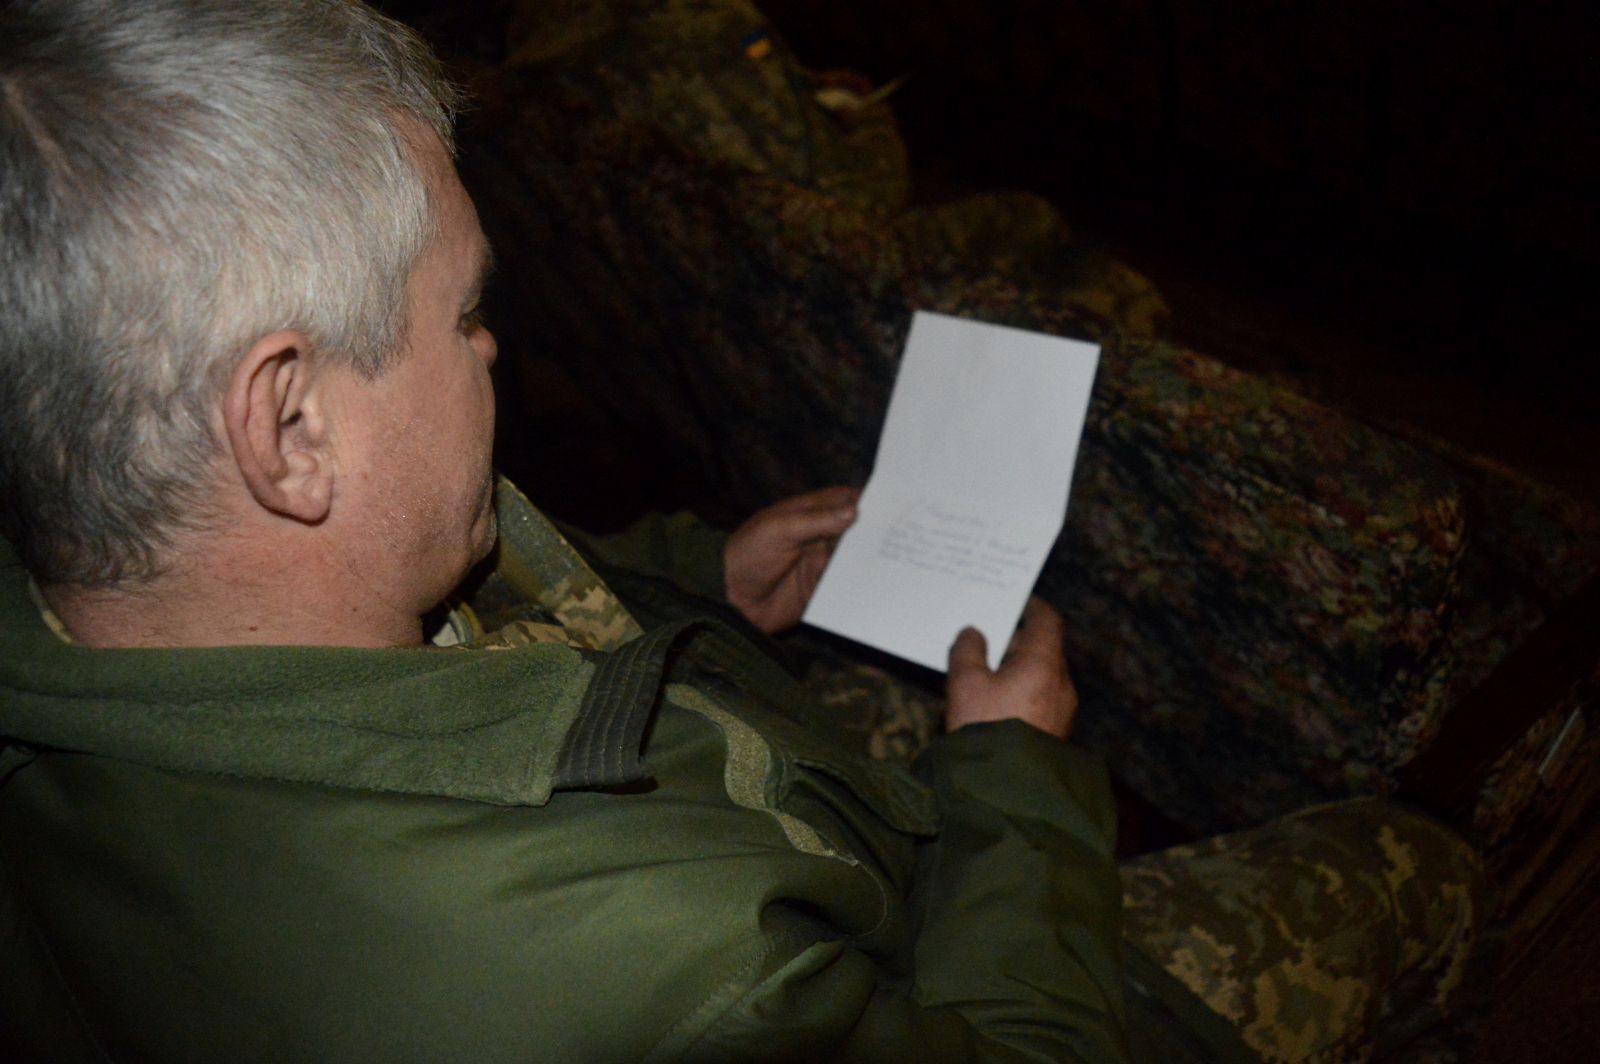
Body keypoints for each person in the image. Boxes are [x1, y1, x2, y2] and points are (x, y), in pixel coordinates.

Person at [0, 2, 1483, 1062]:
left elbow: (464, 615)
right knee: (1411, 866)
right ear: (289, 427)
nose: (494, 348)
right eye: (462, 314)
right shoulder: (649, 976)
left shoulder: (125, 573)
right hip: (904, 961)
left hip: (756, 797)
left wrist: (693, 573)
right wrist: (1016, 777)